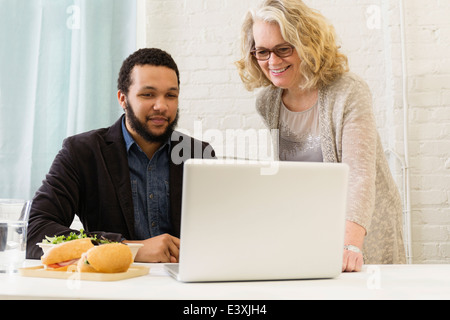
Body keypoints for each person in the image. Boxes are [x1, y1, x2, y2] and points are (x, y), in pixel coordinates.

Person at [236, 0, 406, 271]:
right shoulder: (267, 102)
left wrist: (350, 245)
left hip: (361, 226)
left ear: (306, 43)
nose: (273, 61)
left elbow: (359, 175)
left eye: (283, 48)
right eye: (262, 52)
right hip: (311, 226)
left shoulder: (348, 91)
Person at [27, 48, 215, 262]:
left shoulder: (199, 154)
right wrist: (129, 249)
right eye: (148, 94)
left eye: (170, 95)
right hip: (112, 286)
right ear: (123, 99)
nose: (161, 106)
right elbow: (35, 230)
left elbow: (223, 230)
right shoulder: (82, 152)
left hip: (185, 287)